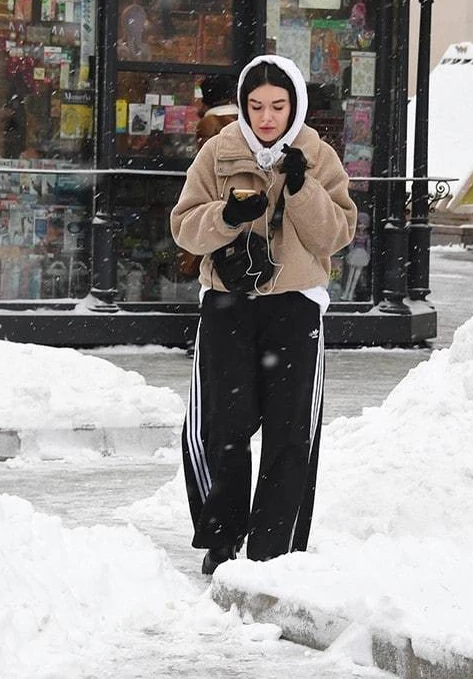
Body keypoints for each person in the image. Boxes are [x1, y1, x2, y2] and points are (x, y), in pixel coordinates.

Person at [170, 55, 357, 574]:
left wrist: (301, 189)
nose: (267, 117)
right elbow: (184, 228)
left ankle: (274, 547)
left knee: (289, 431)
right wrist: (227, 215)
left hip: (295, 306)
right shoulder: (218, 150)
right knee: (220, 427)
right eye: (256, 106)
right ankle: (222, 536)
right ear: (243, 106)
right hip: (229, 303)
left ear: (294, 106)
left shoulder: (317, 155)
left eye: (278, 106)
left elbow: (335, 236)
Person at [176, 76, 240, 280]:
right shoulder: (246, 122)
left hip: (216, 195)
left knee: (206, 242)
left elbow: (205, 162)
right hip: (242, 194)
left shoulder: (209, 123)